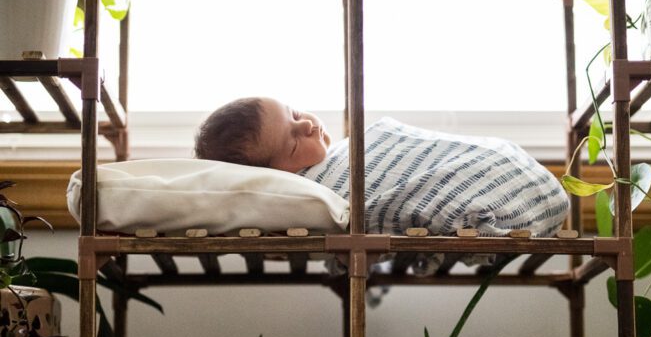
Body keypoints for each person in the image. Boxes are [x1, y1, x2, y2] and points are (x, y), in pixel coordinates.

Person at [194, 97, 570, 238]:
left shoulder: (349, 150)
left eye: (294, 113)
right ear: (277, 176)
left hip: (495, 160)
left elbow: (400, 150)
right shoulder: (312, 190)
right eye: (293, 140)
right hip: (491, 198)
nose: (307, 125)